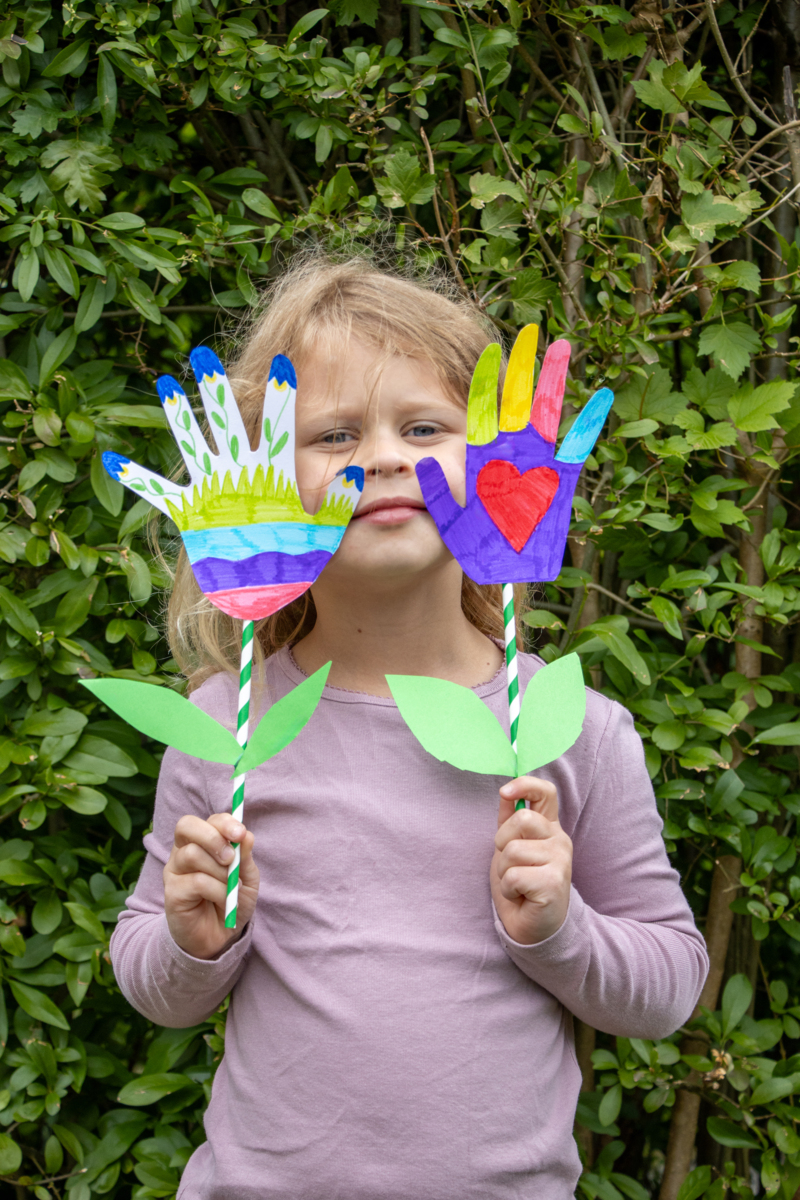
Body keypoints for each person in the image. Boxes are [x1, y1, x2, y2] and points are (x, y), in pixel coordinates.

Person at [110, 256, 709, 1200]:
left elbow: (669, 987)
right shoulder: (227, 725)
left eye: (425, 427)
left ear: (496, 455)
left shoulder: (575, 730)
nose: (386, 457)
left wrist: (561, 928)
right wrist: (194, 936)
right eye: (335, 434)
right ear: (264, 477)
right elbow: (157, 989)